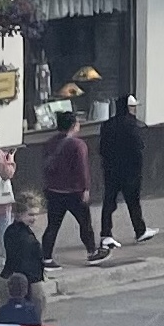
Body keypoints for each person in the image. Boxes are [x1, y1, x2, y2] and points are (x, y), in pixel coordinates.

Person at [40, 110, 106, 267]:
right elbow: (82, 169)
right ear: (73, 125)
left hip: (54, 191)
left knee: (52, 226)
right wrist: (86, 188)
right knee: (84, 223)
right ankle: (92, 252)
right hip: (74, 192)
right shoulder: (78, 145)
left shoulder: (50, 143)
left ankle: (46, 258)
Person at [96, 93, 155, 248]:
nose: (134, 110)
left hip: (111, 170)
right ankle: (140, 230)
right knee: (133, 202)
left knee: (109, 203)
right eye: (133, 107)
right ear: (128, 108)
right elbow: (139, 146)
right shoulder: (132, 125)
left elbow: (102, 148)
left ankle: (106, 234)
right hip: (130, 171)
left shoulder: (107, 125)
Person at [1, 192, 45, 318]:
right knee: (34, 318)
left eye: (36, 214)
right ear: (19, 214)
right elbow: (24, 262)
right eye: (30, 214)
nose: (34, 218)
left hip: (8, 276)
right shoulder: (25, 237)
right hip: (26, 281)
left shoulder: (11, 231)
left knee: (8, 320)